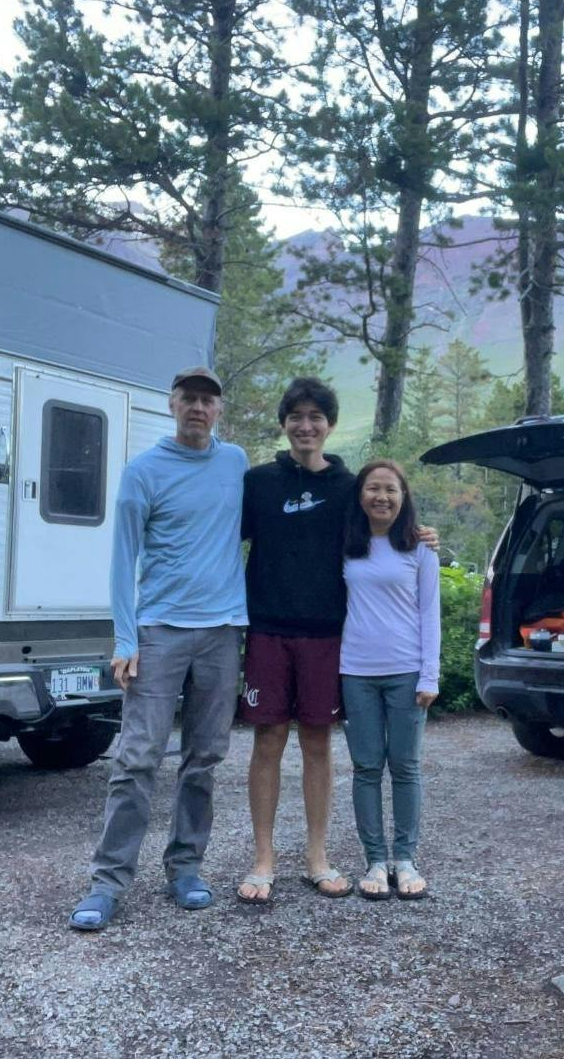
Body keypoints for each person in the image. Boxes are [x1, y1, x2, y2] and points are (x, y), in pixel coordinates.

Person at [236, 379, 436, 904]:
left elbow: (387, 515)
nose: (306, 426)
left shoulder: (349, 486)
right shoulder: (256, 483)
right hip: (267, 630)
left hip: (329, 635)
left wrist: (422, 534)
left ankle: (317, 858)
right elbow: (217, 540)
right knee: (268, 741)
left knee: (318, 742)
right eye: (296, 416)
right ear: (284, 423)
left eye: (316, 417)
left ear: (329, 424)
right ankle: (263, 860)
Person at [69, 365, 248, 931]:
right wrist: (125, 638)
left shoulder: (236, 463)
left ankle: (186, 868)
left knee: (205, 757)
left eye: (208, 400)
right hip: (159, 632)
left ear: (220, 409)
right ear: (171, 404)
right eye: (189, 398)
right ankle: (108, 881)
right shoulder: (143, 472)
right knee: (137, 757)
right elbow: (123, 558)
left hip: (222, 633)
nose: (198, 408)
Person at [339, 460, 440, 901]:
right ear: (360, 495)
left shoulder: (421, 548)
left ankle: (405, 859)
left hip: (406, 671)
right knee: (365, 768)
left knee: (405, 766)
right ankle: (375, 861)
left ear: (404, 497)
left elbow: (429, 614)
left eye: (391, 490)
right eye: (373, 489)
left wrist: (430, 675)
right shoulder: (345, 546)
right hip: (355, 670)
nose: (382, 497)